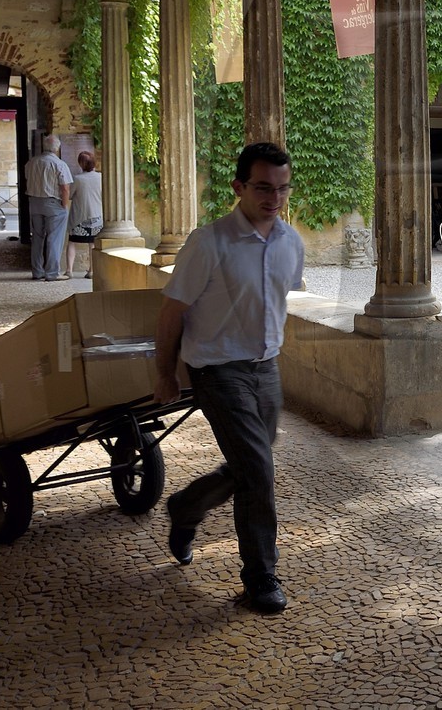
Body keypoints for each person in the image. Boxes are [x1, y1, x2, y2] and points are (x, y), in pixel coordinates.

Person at [154, 142, 305, 615]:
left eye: (282, 188)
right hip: (217, 370)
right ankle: (261, 577)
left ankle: (186, 507)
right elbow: (171, 311)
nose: (274, 198)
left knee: (250, 465)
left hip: (266, 368)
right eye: (263, 187)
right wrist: (165, 372)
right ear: (239, 187)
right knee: (258, 471)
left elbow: (275, 304)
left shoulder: (291, 242)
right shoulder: (209, 242)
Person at [23, 135, 73, 280]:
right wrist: (65, 205)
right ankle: (52, 273)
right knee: (54, 238)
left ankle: (37, 271)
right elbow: (65, 188)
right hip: (53, 204)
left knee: (37, 238)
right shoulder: (60, 164)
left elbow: (27, 179)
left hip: (34, 202)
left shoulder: (31, 162)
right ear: (57, 148)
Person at [65, 150, 103, 279]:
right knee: (92, 244)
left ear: (81, 164)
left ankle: (69, 270)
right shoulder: (101, 177)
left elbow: (69, 195)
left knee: (71, 242)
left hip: (79, 217)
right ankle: (92, 271)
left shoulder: (77, 179)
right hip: (97, 216)